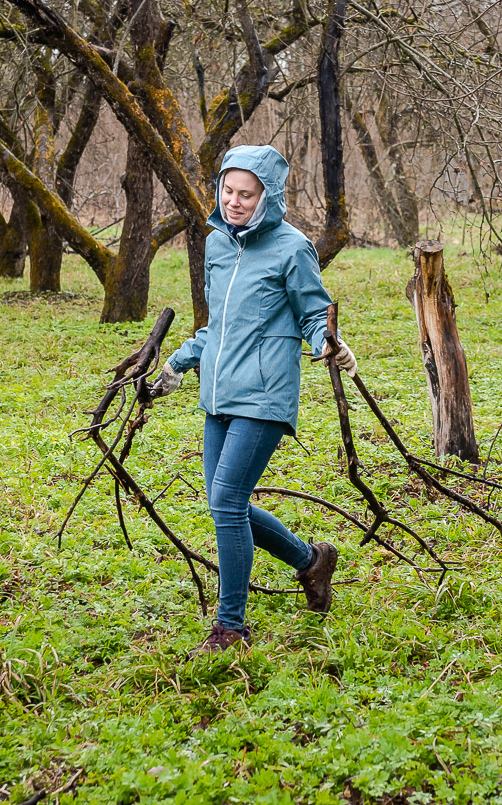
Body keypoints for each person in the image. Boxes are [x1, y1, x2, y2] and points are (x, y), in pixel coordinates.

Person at [149, 145, 352, 653]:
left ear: (268, 195)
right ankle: (310, 561)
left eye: (247, 193)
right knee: (226, 506)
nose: (235, 202)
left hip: (264, 394)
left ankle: (231, 627)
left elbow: (312, 313)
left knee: (226, 500)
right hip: (218, 392)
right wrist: (179, 362)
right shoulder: (217, 247)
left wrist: (328, 342)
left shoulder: (293, 247)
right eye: (228, 191)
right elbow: (218, 326)